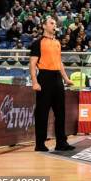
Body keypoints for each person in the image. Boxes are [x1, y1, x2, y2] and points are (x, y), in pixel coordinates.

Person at [29, 16, 75, 152]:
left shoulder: (57, 42)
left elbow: (59, 62)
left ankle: (61, 142)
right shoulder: (38, 43)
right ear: (44, 26)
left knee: (61, 112)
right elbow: (32, 64)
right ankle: (40, 144)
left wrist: (66, 79)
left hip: (57, 79)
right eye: (51, 23)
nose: (54, 25)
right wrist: (35, 82)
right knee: (42, 113)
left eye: (55, 23)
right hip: (44, 77)